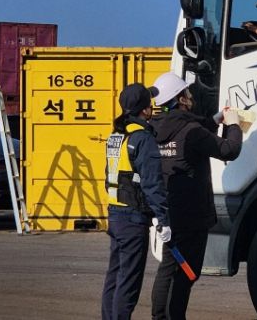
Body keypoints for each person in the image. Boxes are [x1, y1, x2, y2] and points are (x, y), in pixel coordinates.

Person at [149, 72, 243, 320]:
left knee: (168, 269)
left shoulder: (155, 128)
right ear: (180, 99)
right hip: (192, 215)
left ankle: (159, 316)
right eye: (187, 93)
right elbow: (228, 149)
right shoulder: (191, 130)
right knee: (186, 272)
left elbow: (192, 134)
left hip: (168, 212)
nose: (191, 96)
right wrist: (233, 125)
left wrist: (216, 120)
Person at [101, 83, 171, 320]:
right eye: (150, 103)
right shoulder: (142, 138)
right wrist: (163, 219)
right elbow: (152, 183)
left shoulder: (116, 135)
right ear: (144, 110)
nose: (153, 107)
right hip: (133, 219)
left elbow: (110, 176)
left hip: (115, 215)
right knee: (128, 283)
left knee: (114, 276)